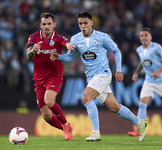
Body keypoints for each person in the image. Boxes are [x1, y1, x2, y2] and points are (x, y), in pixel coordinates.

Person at [50, 11, 147, 142]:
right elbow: (71, 57)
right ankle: (140, 123)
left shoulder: (102, 37)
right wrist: (59, 57)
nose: (83, 26)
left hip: (103, 74)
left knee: (86, 96)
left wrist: (119, 70)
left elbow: (116, 51)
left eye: (85, 23)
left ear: (91, 23)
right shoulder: (75, 39)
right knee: (114, 107)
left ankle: (96, 132)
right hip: (91, 78)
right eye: (80, 23)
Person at [26, 13, 74, 140]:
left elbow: (66, 43)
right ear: (40, 25)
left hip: (54, 76)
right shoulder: (34, 37)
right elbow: (28, 56)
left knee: (49, 101)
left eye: (49, 24)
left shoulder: (58, 38)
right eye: (44, 24)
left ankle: (65, 124)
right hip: (38, 79)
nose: (47, 26)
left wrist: (68, 46)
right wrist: (33, 50)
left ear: (54, 25)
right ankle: (66, 129)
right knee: (46, 115)